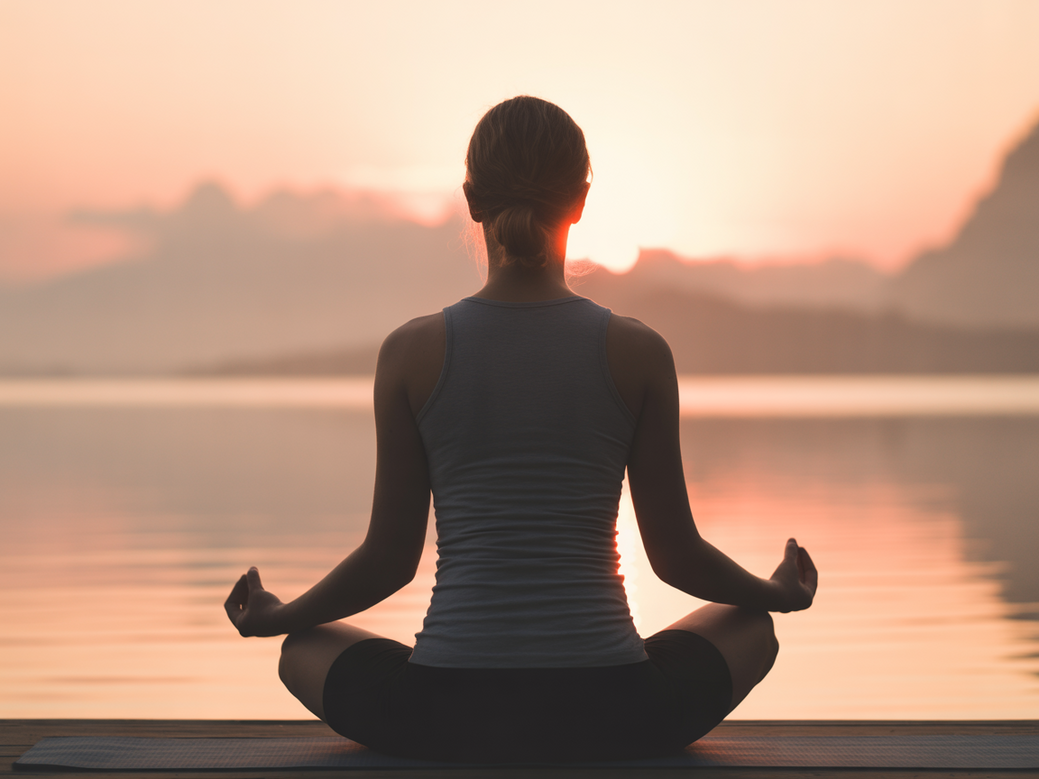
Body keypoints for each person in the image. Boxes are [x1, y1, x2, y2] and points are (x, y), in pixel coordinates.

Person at [225, 96, 817, 763]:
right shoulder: (637, 351)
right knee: (752, 627)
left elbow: (388, 561)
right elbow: (674, 556)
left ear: (471, 200)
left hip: (444, 716)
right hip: (618, 712)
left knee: (302, 647)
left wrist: (279, 614)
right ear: (582, 200)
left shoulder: (411, 353)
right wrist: (775, 592)